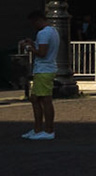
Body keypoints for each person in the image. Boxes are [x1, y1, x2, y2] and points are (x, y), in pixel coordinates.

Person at [23, 11, 57, 141]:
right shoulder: (53, 31)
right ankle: (38, 128)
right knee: (36, 98)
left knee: (44, 99)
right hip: (47, 68)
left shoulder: (43, 33)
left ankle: (48, 130)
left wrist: (30, 48)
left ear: (37, 21)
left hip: (43, 69)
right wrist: (33, 43)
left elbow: (42, 53)